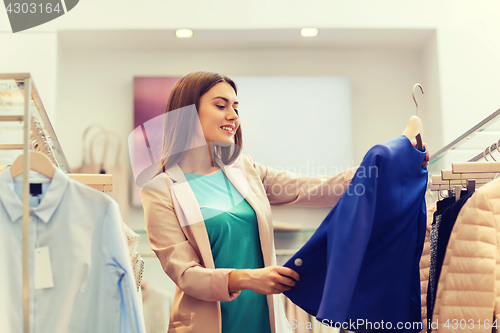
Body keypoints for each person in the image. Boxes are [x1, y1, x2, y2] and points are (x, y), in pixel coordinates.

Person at [140, 71, 429, 333]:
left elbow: (312, 188)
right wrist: (247, 279)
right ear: (188, 113)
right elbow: (186, 274)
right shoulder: (160, 190)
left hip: (266, 323)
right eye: (221, 105)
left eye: (236, 108)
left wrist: (384, 166)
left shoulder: (245, 170)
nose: (233, 116)